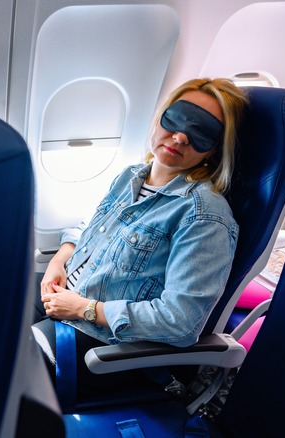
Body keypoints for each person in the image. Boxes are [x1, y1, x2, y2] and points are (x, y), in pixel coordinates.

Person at [32, 78, 249, 398]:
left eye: (201, 131)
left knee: (0, 361)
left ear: (214, 150)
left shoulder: (205, 216)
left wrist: (84, 308)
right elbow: (89, 224)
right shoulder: (130, 176)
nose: (179, 136)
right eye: (175, 119)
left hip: (103, 346)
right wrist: (61, 259)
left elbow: (181, 321)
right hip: (66, 299)